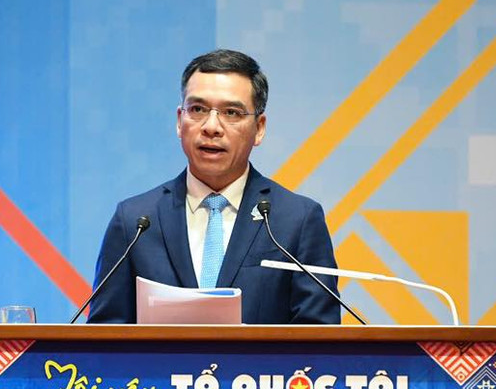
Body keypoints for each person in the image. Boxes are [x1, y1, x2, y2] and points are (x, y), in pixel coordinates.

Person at [87, 49, 341, 324]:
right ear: (179, 121)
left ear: (259, 128)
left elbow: (319, 336)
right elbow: (105, 335)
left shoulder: (296, 220)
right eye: (197, 109)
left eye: (231, 112)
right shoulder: (135, 221)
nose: (211, 127)